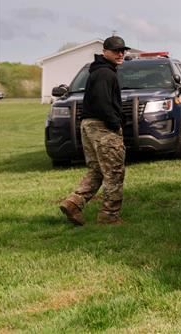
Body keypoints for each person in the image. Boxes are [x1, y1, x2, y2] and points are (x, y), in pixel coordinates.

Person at [59, 35, 131, 226]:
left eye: (123, 50)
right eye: (116, 51)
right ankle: (109, 216)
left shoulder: (99, 71)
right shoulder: (105, 74)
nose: (120, 54)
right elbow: (102, 104)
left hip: (89, 125)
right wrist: (115, 124)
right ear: (104, 52)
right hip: (102, 127)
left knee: (97, 170)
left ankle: (74, 203)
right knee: (114, 172)